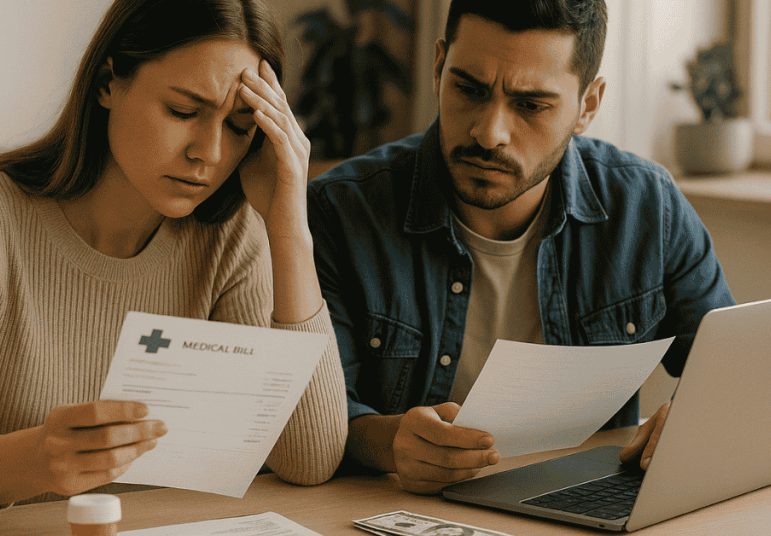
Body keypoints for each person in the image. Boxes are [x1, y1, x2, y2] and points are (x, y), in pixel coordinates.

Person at [0, 0, 347, 520]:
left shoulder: (229, 236)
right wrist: (31, 461)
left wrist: (289, 229)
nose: (210, 153)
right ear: (108, 82)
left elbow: (310, 460)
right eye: (183, 111)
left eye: (240, 126)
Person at [307, 0, 734, 494]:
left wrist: (692, 418)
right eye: (469, 89)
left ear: (587, 106)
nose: (489, 133)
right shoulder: (339, 212)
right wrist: (388, 444)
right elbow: (316, 416)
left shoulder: (647, 208)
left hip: (584, 508)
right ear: (439, 68)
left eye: (530, 105)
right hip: (398, 510)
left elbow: (732, 371)